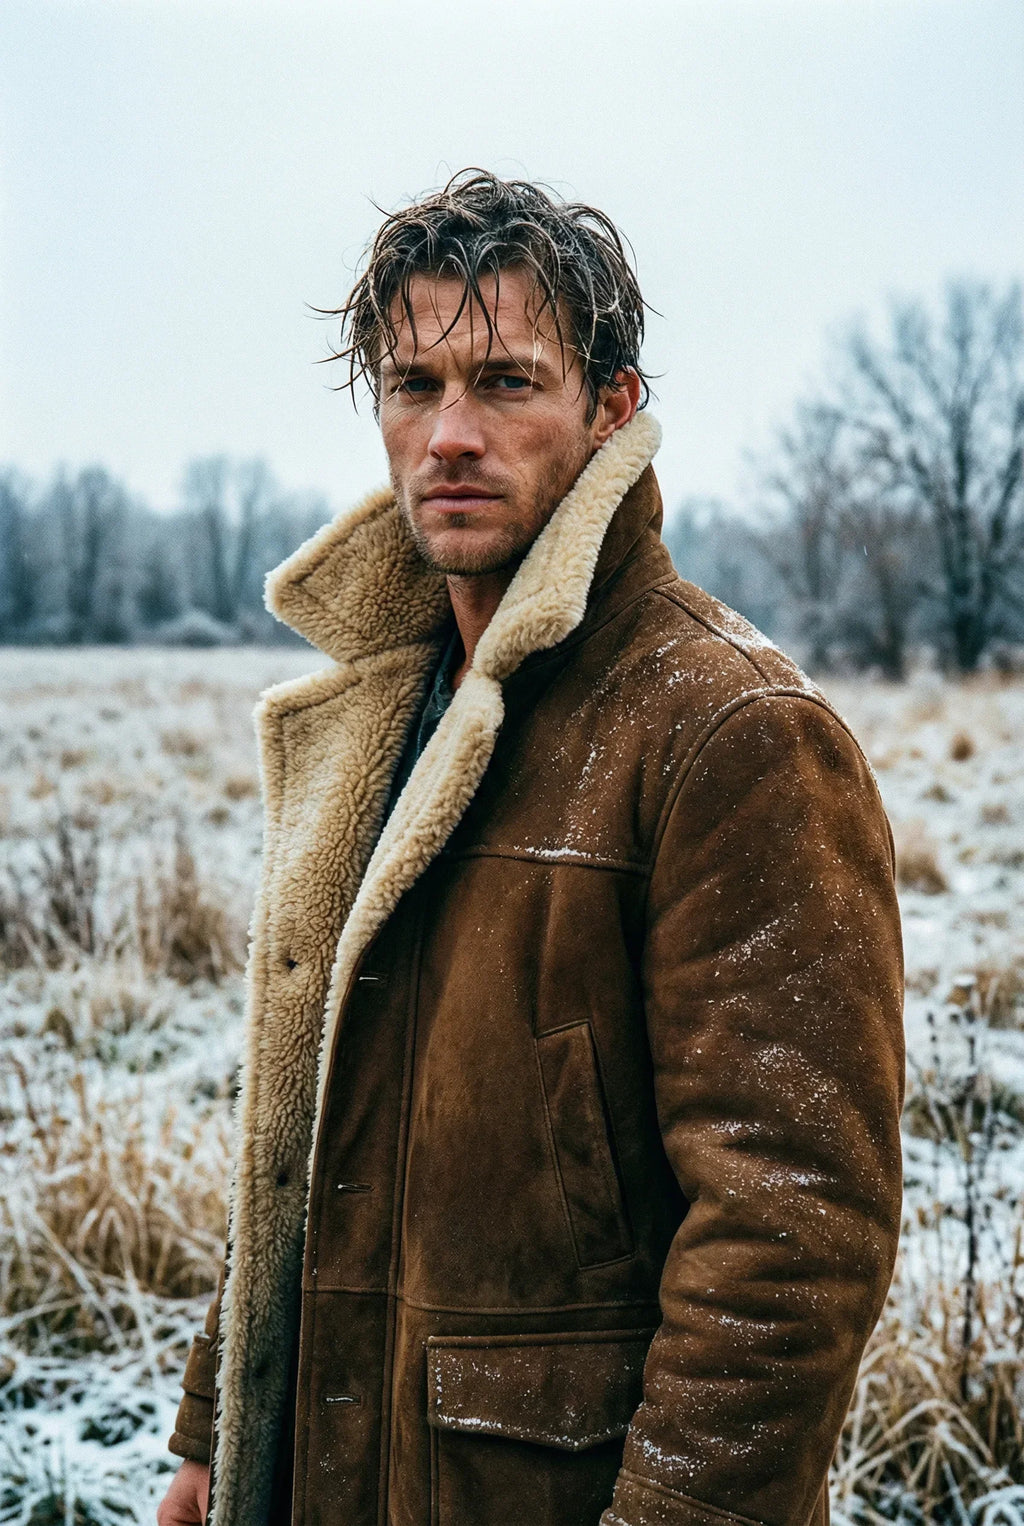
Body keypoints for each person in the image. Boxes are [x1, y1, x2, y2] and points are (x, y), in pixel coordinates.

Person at [156, 171, 904, 1526]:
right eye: (413, 383)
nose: (448, 433)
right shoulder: (380, 709)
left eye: (505, 382)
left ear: (610, 406)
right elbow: (312, 1128)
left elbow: (793, 1236)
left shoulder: (731, 732)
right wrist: (220, 1423)